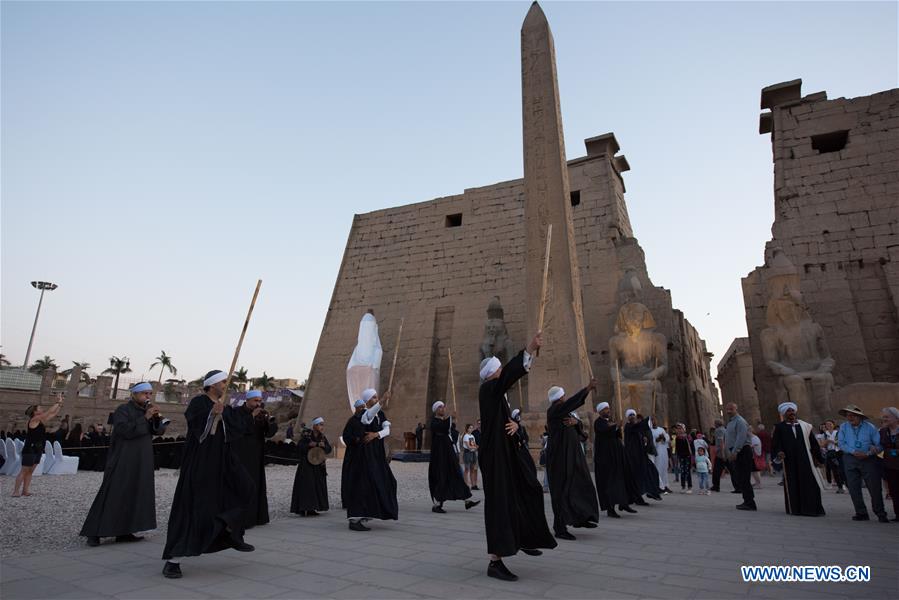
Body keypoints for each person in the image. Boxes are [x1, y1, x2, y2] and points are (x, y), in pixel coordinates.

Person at [162, 370, 256, 579]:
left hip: (223, 461)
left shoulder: (225, 406)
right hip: (200, 463)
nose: (226, 384)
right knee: (192, 507)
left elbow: (238, 428)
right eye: (223, 381)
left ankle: (229, 532)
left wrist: (229, 414)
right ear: (212, 385)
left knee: (245, 488)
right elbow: (198, 430)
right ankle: (173, 560)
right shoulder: (199, 403)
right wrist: (212, 414)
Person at [478, 332, 556, 582]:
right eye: (500, 368)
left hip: (507, 453)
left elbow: (503, 419)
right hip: (495, 458)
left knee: (527, 489)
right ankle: (495, 561)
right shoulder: (489, 388)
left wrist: (513, 424)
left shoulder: (496, 394)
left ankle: (523, 537)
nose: (502, 371)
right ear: (493, 372)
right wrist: (529, 349)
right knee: (500, 504)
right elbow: (510, 375)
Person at [81, 382, 168, 546]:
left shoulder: (147, 411)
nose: (148, 397)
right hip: (124, 458)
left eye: (150, 394)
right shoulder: (123, 410)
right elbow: (125, 431)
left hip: (141, 459)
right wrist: (146, 418)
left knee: (135, 493)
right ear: (134, 394)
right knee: (114, 492)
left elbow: (158, 431)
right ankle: (94, 532)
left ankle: (125, 531)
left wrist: (159, 420)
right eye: (145, 393)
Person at [545, 381, 600, 540]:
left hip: (573, 457)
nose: (565, 397)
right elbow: (570, 403)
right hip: (560, 459)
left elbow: (579, 430)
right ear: (559, 397)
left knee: (580, 485)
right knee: (561, 492)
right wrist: (587, 389)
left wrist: (577, 423)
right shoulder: (555, 410)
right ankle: (560, 528)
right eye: (563, 395)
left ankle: (582, 517)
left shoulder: (566, 412)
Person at [341, 389, 398, 531]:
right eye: (373, 397)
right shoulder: (363, 414)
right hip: (364, 456)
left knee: (386, 481)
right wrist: (382, 401)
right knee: (362, 484)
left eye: (376, 397)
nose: (376, 399)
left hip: (376, 455)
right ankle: (354, 519)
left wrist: (376, 434)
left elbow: (387, 430)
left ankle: (369, 512)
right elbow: (368, 417)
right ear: (367, 401)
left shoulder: (381, 414)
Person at [223, 389, 278, 529]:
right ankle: (241, 519)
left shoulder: (262, 414)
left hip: (256, 455)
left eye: (260, 401)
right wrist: (252, 416)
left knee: (256, 484)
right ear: (247, 400)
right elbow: (237, 429)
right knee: (241, 485)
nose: (258, 404)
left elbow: (269, 434)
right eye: (255, 401)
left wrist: (269, 422)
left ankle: (256, 517)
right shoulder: (236, 413)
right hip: (240, 454)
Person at [771, 402, 826, 516]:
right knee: (793, 484)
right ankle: (796, 509)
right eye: (788, 411)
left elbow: (814, 443)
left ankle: (812, 509)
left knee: (810, 484)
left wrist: (819, 459)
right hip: (790, 461)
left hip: (806, 460)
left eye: (792, 411)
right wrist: (779, 452)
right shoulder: (779, 427)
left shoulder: (805, 426)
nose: (791, 413)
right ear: (784, 413)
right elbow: (776, 444)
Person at [837, 404, 888, 523]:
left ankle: (880, 513)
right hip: (850, 458)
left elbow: (879, 445)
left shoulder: (870, 427)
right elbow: (841, 443)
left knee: (874, 487)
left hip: (868, 459)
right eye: (848, 415)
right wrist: (853, 451)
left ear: (860, 417)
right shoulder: (844, 427)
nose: (850, 418)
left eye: (853, 415)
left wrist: (869, 453)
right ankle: (861, 512)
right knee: (853, 487)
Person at [428, 401, 479, 513]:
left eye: (443, 407)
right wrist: (450, 418)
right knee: (441, 477)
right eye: (440, 407)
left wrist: (451, 422)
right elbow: (441, 428)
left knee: (456, 474)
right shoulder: (434, 422)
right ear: (436, 410)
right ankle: (437, 505)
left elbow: (453, 435)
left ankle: (467, 500)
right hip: (440, 456)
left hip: (449, 453)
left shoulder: (446, 423)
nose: (442, 408)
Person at [593, 401, 640, 518]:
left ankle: (624, 503)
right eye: (605, 409)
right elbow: (604, 431)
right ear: (600, 411)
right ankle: (610, 509)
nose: (608, 411)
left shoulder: (610, 422)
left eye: (608, 409)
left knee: (622, 479)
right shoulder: (598, 423)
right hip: (606, 459)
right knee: (610, 483)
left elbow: (617, 435)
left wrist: (617, 428)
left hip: (617, 456)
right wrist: (616, 426)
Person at [12, 395, 64, 497]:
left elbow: (53, 414)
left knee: (30, 471)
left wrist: (60, 404)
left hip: (38, 448)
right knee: (24, 470)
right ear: (35, 412)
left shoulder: (40, 420)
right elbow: (49, 412)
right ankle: (15, 491)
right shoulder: (34, 419)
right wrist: (57, 402)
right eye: (39, 408)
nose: (42, 409)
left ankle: (25, 490)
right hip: (30, 448)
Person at [291, 417, 331, 516]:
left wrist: (324, 446)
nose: (322, 427)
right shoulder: (306, 435)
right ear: (314, 425)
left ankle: (313, 508)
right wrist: (309, 445)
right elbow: (299, 447)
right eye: (320, 424)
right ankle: (304, 508)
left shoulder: (322, 437)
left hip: (318, 465)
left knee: (316, 486)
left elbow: (328, 449)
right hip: (307, 465)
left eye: (322, 424)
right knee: (307, 486)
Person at [623, 410, 663, 501]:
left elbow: (640, 432)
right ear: (627, 417)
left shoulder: (635, 428)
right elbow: (638, 427)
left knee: (652, 471)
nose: (632, 416)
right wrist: (649, 418)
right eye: (630, 415)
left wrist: (643, 440)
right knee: (638, 477)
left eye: (633, 415)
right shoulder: (628, 426)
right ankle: (638, 497)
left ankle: (652, 491)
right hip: (633, 457)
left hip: (641, 455)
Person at [724, 402, 756, 511]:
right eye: (727, 409)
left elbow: (741, 437)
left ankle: (750, 502)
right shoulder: (731, 422)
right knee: (741, 477)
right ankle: (747, 500)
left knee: (744, 477)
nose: (729, 411)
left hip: (742, 451)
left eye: (731, 409)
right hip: (737, 450)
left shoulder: (740, 421)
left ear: (735, 409)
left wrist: (735, 451)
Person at [879, 407, 899, 521]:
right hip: (889, 466)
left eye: (887, 417)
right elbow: (880, 445)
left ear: (896, 418)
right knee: (893, 490)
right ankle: (898, 514)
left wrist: (893, 451)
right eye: (884, 416)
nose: (884, 419)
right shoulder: (883, 431)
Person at [818, 420, 844, 493]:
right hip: (830, 453)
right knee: (834, 471)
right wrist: (826, 442)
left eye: (830, 424)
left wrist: (831, 441)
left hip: (838, 452)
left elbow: (840, 443)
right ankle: (840, 487)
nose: (828, 425)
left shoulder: (838, 433)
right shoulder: (824, 434)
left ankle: (844, 484)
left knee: (841, 470)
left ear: (833, 424)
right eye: (827, 424)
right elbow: (821, 445)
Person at [651, 420, 671, 493]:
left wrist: (663, 438)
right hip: (657, 452)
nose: (654, 422)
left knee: (664, 468)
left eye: (655, 420)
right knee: (658, 468)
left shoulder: (661, 429)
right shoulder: (650, 431)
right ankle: (659, 486)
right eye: (652, 421)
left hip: (664, 451)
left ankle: (665, 485)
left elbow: (667, 437)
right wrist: (657, 439)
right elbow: (651, 441)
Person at [674, 424, 693, 494]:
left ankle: (689, 487)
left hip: (687, 456)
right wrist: (677, 455)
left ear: (684, 429)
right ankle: (683, 486)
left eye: (680, 428)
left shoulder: (688, 437)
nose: (679, 430)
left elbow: (691, 446)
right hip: (681, 456)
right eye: (678, 429)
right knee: (682, 471)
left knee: (687, 471)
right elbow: (677, 448)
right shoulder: (677, 438)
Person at [710, 419, 727, 492]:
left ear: (716, 424)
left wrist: (720, 451)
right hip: (726, 451)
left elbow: (721, 441)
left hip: (721, 452)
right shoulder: (725, 430)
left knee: (716, 470)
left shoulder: (718, 431)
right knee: (732, 469)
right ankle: (738, 486)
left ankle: (716, 486)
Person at [461, 424, 479, 489]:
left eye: (472, 428)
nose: (471, 429)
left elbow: (474, 444)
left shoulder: (472, 436)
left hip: (473, 453)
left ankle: (472, 485)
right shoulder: (465, 436)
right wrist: (474, 447)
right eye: (470, 428)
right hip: (467, 453)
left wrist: (476, 447)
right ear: (467, 429)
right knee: (467, 469)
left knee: (472, 469)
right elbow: (468, 446)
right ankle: (466, 484)